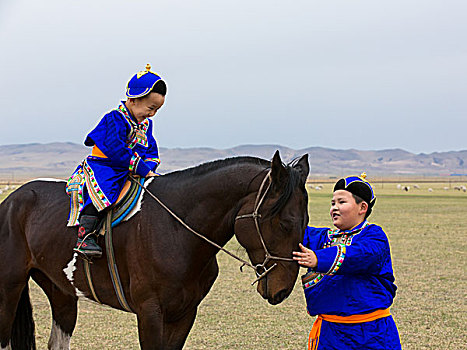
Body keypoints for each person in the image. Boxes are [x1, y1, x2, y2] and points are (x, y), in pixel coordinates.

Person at [66, 64, 166, 259]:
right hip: (106, 166)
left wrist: (150, 167)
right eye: (151, 108)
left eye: (157, 110)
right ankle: (85, 235)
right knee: (105, 191)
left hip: (131, 168)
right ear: (133, 99)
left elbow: (151, 149)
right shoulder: (115, 119)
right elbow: (114, 148)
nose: (152, 114)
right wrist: (141, 167)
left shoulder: (146, 124)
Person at [293, 174, 402, 350]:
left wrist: (318, 259)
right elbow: (291, 232)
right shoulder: (322, 238)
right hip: (330, 334)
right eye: (332, 203)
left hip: (371, 334)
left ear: (362, 207)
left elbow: (360, 255)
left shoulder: (374, 236)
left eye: (341, 202)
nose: (334, 208)